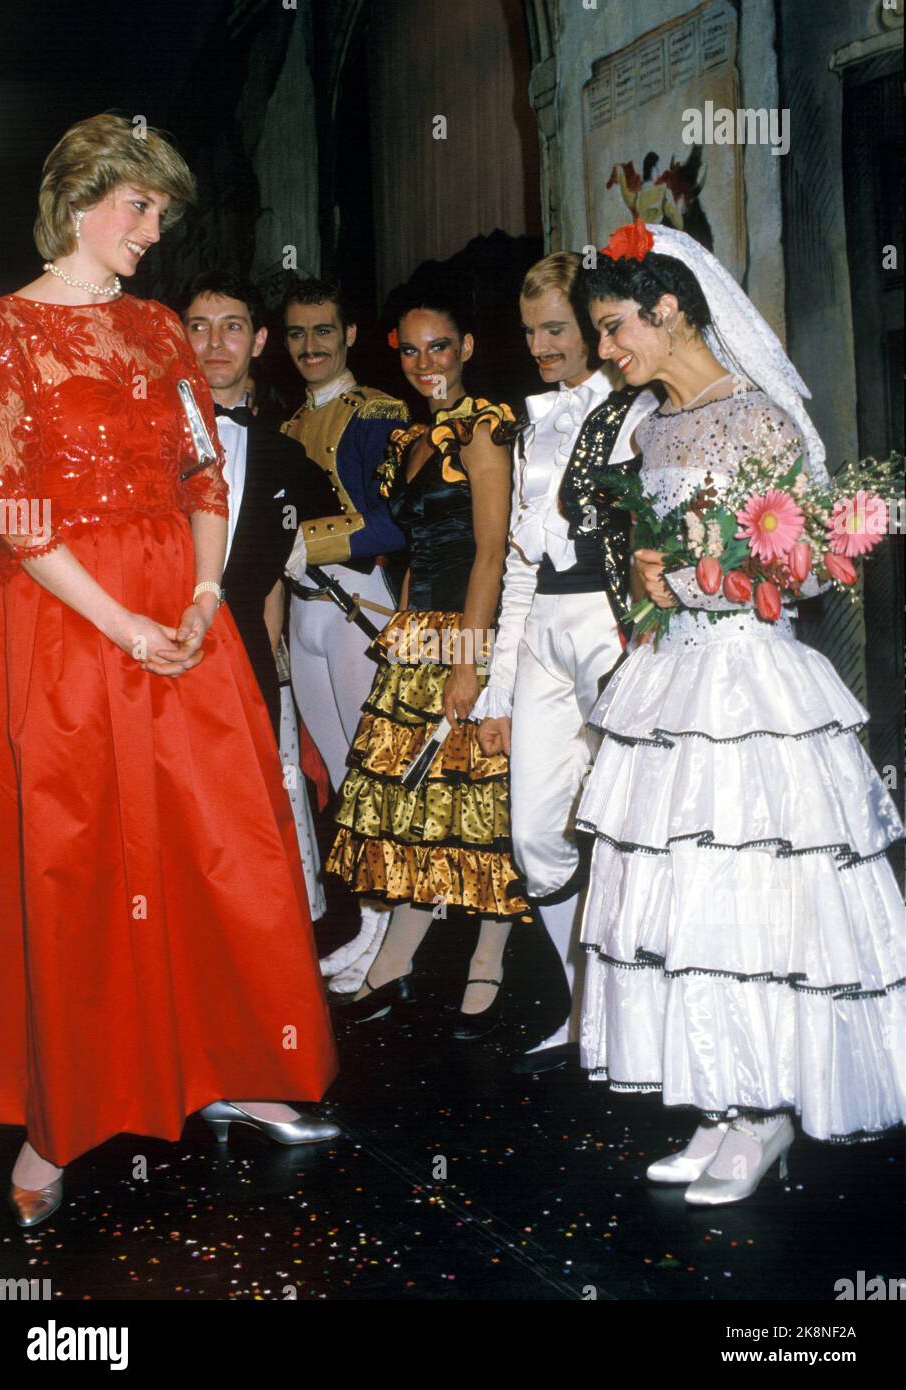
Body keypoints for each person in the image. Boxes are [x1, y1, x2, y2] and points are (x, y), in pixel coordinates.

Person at [0, 113, 339, 1230]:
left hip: (183, 616)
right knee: (76, 863)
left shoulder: (158, 330)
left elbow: (203, 474)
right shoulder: (2, 332)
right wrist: (124, 624)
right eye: (137, 207)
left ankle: (228, 1061)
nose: (151, 230)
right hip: (65, 619)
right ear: (78, 198)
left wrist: (194, 595)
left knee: (219, 846)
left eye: (161, 214)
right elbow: (7, 510)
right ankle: (57, 1117)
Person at [573, 219, 904, 1204]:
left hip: (749, 685)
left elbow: (789, 570)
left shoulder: (757, 417)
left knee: (752, 890)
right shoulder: (650, 428)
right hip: (672, 677)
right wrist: (649, 582)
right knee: (684, 895)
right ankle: (721, 1101)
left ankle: (765, 1112)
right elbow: (656, 553)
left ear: (668, 309)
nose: (604, 349)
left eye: (612, 325)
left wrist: (682, 580)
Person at [326, 278, 532, 1036]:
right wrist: (406, 632)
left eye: (438, 346)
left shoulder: (485, 428)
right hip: (421, 631)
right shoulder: (414, 441)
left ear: (468, 348)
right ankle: (397, 962)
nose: (424, 363)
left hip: (472, 628)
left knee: (479, 800)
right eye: (409, 351)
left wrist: (470, 661)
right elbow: (413, 551)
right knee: (416, 801)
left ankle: (489, 959)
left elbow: (489, 553)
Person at [475, 252, 657, 1074]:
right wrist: (495, 693)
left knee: (630, 829)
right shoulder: (532, 420)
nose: (542, 347)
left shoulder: (638, 411)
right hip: (545, 623)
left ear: (591, 326)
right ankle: (584, 1004)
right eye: (529, 333)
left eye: (556, 329)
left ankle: (638, 1020)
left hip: (614, 626)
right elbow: (517, 562)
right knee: (534, 836)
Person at [182, 268, 339, 919]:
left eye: (233, 327)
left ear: (258, 340)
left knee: (247, 824)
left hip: (244, 664)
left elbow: (279, 572)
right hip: (159, 661)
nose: (215, 343)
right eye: (198, 327)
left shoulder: (286, 459)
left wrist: (275, 670)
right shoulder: (138, 444)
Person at [282, 277, 410, 993]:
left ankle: (393, 936)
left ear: (349, 334)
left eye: (323, 331)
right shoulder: (290, 423)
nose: (309, 346)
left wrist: (309, 541)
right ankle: (370, 922)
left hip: (356, 599)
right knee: (338, 769)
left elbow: (394, 519)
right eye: (297, 333)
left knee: (372, 773)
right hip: (305, 609)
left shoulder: (378, 413)